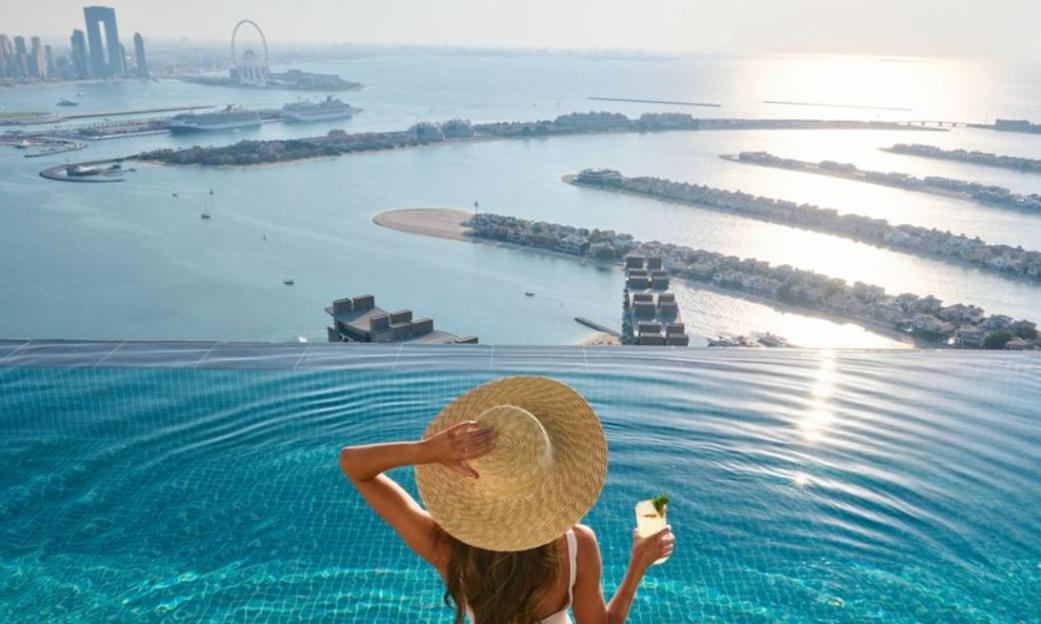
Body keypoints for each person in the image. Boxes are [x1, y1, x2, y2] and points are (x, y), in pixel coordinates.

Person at [340, 376, 675, 624]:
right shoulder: (576, 546)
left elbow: (353, 465)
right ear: (552, 477)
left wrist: (425, 451)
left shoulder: (445, 548)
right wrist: (637, 564)